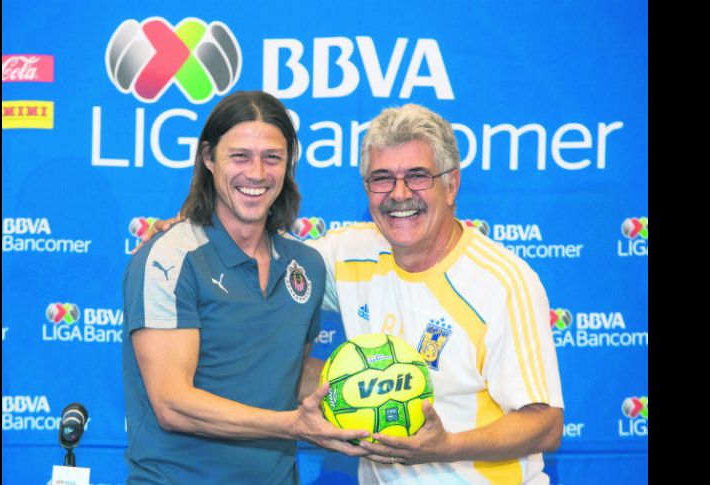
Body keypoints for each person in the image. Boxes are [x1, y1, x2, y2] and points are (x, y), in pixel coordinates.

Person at [141, 102, 564, 484]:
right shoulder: (347, 254)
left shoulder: (503, 281)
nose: (399, 195)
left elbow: (546, 425)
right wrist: (191, 230)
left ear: (451, 185)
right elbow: (260, 265)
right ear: (366, 188)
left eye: (417, 176)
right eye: (382, 179)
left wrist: (446, 446)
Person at [121, 90, 368, 485]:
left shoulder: (305, 265)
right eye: (240, 156)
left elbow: (288, 371)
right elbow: (172, 404)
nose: (256, 173)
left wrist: (376, 389)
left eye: (272, 157)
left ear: (288, 165)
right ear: (208, 158)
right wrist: (291, 426)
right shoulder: (168, 259)